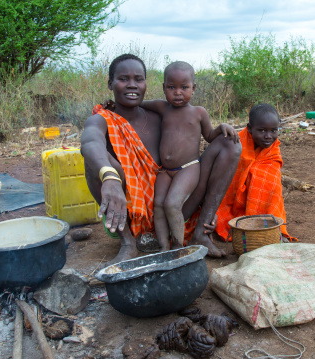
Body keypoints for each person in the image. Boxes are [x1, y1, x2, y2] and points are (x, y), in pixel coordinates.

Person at [80, 54, 241, 266]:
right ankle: (128, 243)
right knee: (96, 160)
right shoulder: (103, 120)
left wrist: (221, 128)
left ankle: (201, 232)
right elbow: (90, 142)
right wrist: (109, 176)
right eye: (123, 79)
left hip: (174, 205)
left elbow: (204, 134)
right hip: (128, 210)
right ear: (110, 83)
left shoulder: (162, 114)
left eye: (138, 79)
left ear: (146, 83)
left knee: (230, 143)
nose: (132, 85)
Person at [140, 61, 238, 252]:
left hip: (189, 167)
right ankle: (163, 248)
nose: (177, 92)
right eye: (171, 87)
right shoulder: (162, 107)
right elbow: (137, 103)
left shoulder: (198, 112)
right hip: (165, 171)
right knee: (158, 205)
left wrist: (222, 127)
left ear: (193, 88)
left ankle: (178, 248)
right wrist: (114, 105)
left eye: (184, 87)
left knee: (171, 204)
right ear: (164, 88)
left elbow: (209, 136)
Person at [215, 103, 296, 242]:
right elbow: (224, 180)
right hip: (233, 206)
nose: (268, 136)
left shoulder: (273, 152)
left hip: (259, 205)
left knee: (271, 185)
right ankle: (241, 225)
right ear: (250, 128)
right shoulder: (236, 144)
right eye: (262, 130)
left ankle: (274, 228)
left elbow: (274, 191)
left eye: (273, 130)